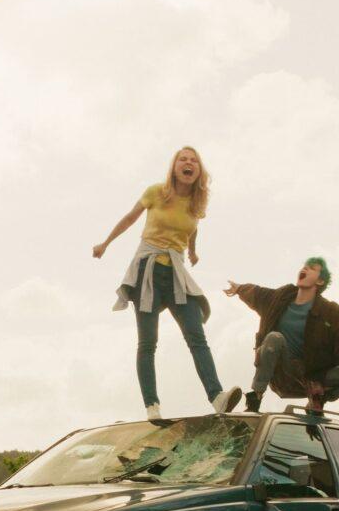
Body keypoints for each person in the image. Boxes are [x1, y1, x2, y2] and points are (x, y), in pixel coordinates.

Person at [93, 146, 241, 421]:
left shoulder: (196, 205)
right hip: (147, 272)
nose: (188, 163)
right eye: (183, 159)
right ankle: (152, 405)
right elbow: (130, 218)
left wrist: (193, 251)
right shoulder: (156, 192)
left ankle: (217, 396)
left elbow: (192, 229)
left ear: (198, 171)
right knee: (148, 341)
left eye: (193, 160)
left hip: (175, 273)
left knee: (196, 335)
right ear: (174, 167)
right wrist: (106, 243)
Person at [224, 257, 339, 413]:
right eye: (304, 266)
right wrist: (238, 288)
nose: (304, 269)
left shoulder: (330, 311)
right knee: (274, 338)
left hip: (311, 376)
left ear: (320, 281)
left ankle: (319, 398)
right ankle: (256, 397)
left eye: (311, 268)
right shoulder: (281, 298)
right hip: (284, 374)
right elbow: (258, 294)